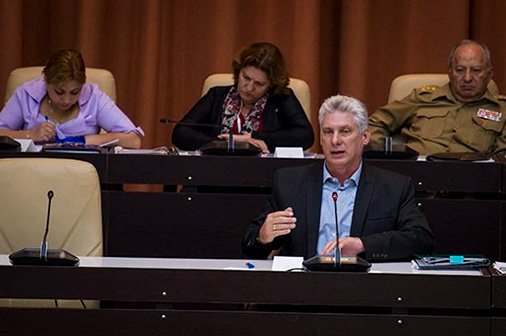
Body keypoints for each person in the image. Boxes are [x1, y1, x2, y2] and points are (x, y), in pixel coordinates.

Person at [243, 94, 434, 261]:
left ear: (365, 136)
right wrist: (262, 236)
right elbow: (250, 244)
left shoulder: (393, 187)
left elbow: (421, 240)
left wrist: (363, 245)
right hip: (302, 290)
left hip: (363, 291)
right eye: (328, 132)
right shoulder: (290, 182)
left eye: (345, 131)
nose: (335, 141)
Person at [368, 39, 506, 156]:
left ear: (489, 74)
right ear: (450, 72)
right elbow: (374, 124)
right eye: (460, 70)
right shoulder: (423, 99)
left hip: (471, 180)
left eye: (476, 70)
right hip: (417, 178)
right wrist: (385, 157)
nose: (467, 78)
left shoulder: (501, 110)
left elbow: (501, 161)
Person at [171, 42, 314, 153]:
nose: (249, 87)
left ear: (271, 84)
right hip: (213, 176)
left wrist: (257, 139)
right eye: (246, 77)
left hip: (263, 183)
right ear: (238, 71)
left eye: (259, 84)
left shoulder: (282, 99)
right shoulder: (216, 95)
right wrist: (224, 145)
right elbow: (181, 133)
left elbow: (305, 135)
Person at [0, 49, 143, 148]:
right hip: (32, 174)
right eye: (59, 92)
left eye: (75, 92)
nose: (67, 100)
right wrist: (30, 134)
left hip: (81, 177)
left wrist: (85, 140)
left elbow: (133, 140)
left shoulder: (94, 97)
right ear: (46, 81)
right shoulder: (27, 94)